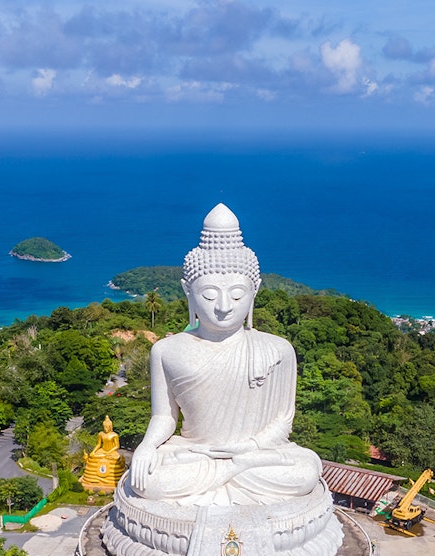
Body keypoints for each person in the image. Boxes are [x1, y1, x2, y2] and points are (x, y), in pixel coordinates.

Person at [129, 205, 321, 506]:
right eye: (208, 295)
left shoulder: (277, 349)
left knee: (307, 469)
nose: (222, 306)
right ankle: (231, 477)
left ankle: (229, 475)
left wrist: (248, 450)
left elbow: (283, 421)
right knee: (147, 480)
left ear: (254, 291)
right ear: (188, 291)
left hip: (255, 455)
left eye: (236, 295)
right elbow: (164, 416)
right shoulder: (166, 350)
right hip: (196, 455)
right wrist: (147, 446)